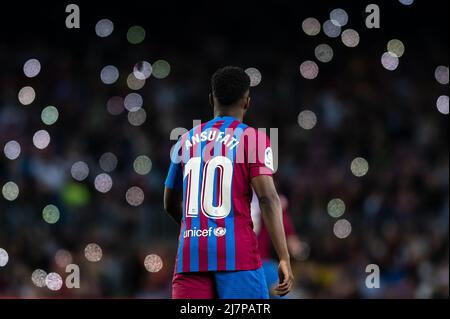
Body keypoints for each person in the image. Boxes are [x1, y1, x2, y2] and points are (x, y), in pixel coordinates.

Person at [164, 66, 293, 299]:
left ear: (211, 99)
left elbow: (169, 203)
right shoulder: (253, 139)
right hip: (237, 257)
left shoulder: (185, 140)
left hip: (190, 257)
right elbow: (267, 198)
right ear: (247, 102)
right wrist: (284, 256)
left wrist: (196, 231)